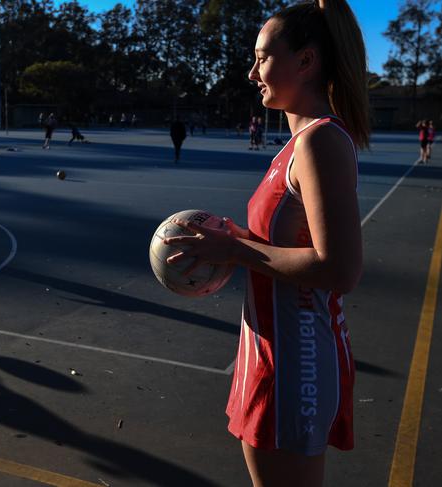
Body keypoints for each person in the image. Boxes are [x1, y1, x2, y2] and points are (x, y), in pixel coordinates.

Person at [164, 1, 367, 486]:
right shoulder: (294, 145)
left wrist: (235, 251)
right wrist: (234, 238)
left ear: (306, 62)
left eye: (262, 58)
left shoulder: (321, 142)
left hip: (298, 361)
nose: (251, 71)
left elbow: (340, 269)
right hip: (266, 350)